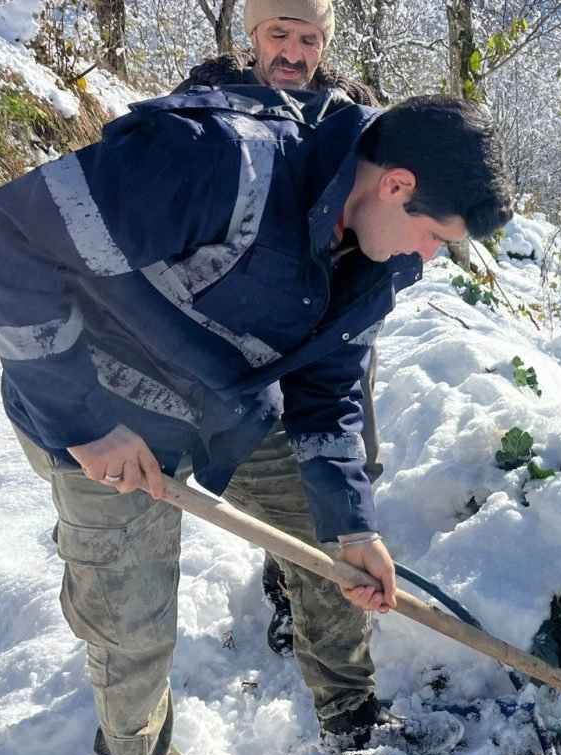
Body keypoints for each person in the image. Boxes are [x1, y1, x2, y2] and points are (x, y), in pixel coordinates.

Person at [0, 87, 512, 755]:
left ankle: (352, 718)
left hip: (225, 411)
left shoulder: (378, 259)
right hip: (96, 416)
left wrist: (354, 526)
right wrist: (84, 425)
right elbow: (7, 234)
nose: (431, 256)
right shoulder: (223, 164)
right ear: (396, 185)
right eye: (437, 238)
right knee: (131, 621)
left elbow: (326, 386)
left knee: (333, 557)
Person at [175, 0, 382, 658]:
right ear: (254, 36)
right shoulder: (205, 100)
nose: (294, 53)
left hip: (325, 323)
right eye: (279, 34)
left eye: (310, 39)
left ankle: (295, 572)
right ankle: (291, 571)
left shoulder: (350, 109)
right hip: (239, 330)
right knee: (273, 471)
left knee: (345, 452)